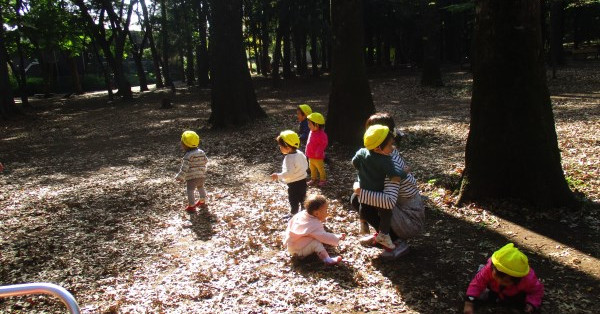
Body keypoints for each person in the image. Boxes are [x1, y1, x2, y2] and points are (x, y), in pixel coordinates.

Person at [352, 112, 425, 259]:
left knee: (358, 198)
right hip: (400, 210)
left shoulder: (388, 163)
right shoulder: (378, 155)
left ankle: (397, 242)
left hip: (409, 220)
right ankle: (383, 235)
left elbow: (388, 201)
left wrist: (360, 190)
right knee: (360, 198)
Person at [352, 124, 408, 249]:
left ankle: (363, 223)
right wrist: (405, 172)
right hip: (379, 191)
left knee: (363, 203)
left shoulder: (362, 152)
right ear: (378, 148)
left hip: (364, 187)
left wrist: (362, 171)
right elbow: (394, 177)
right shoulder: (385, 160)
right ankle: (384, 234)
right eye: (389, 145)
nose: (392, 148)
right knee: (386, 213)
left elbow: (354, 162)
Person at [464, 243, 544, 314]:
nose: (499, 281)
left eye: (506, 281)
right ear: (493, 267)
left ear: (518, 279)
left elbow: (537, 291)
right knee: (478, 288)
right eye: (496, 277)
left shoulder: (528, 280)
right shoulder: (489, 269)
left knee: (517, 303)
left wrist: (531, 303)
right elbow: (477, 283)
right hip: (493, 287)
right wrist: (469, 303)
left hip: (512, 293)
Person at [284, 194, 345, 265]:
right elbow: (324, 237)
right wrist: (337, 237)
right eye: (326, 211)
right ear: (316, 213)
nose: (327, 213)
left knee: (314, 238)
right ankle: (327, 259)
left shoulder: (301, 215)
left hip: (291, 245)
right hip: (298, 251)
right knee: (316, 243)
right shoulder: (313, 225)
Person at [271, 130, 309, 215]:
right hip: (303, 181)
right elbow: (306, 164)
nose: (280, 148)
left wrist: (278, 176)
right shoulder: (300, 153)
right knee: (303, 199)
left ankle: (293, 214)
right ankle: (305, 214)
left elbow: (289, 173)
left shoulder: (289, 158)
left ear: (288, 147)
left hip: (294, 184)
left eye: (280, 146)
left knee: (293, 200)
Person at [175, 130, 209, 213]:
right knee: (200, 187)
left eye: (182, 142)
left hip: (192, 177)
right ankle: (202, 200)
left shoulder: (188, 155)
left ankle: (192, 205)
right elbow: (206, 160)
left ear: (185, 145)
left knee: (190, 190)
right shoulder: (201, 152)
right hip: (201, 175)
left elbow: (184, 168)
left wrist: (179, 177)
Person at [305, 112, 328, 187]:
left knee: (320, 169)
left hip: (318, 157)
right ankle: (313, 178)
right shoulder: (311, 131)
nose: (308, 125)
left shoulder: (322, 134)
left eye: (310, 124)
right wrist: (307, 150)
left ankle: (323, 180)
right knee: (312, 168)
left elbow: (323, 143)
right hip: (311, 155)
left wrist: (319, 151)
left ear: (317, 125)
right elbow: (309, 142)